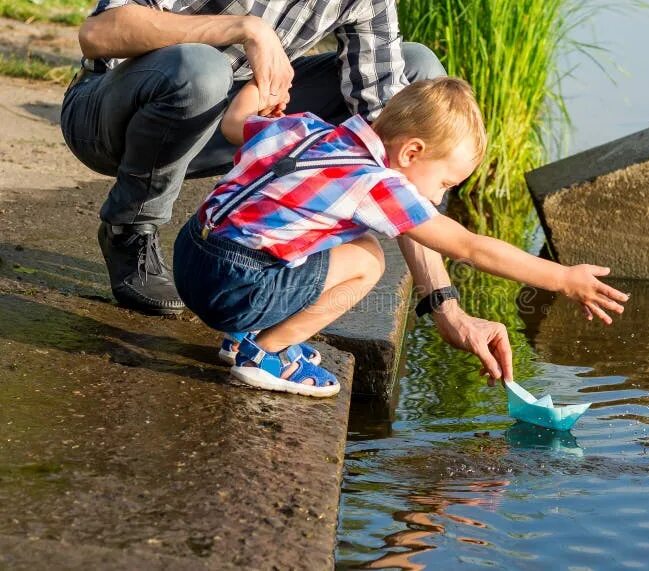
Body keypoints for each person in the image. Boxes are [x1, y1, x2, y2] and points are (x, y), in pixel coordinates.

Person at [61, 0, 530, 386]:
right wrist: (247, 29)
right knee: (201, 67)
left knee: (416, 70)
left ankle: (273, 264)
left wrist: (442, 302)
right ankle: (131, 227)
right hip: (118, 110)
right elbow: (99, 35)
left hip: (244, 121)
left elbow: (396, 161)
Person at [172, 77, 629, 397]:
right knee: (368, 259)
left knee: (308, 235)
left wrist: (261, 86)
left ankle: (242, 336)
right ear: (411, 152)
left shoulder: (310, 129)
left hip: (190, 255)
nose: (440, 195)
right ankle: (263, 354)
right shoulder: (376, 182)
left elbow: (236, 124)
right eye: (446, 183)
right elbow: (469, 246)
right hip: (233, 286)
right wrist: (563, 278)